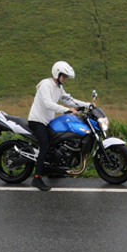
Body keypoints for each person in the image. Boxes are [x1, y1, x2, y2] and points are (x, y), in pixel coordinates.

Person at [28, 61, 90, 191]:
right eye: (64, 76)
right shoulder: (46, 85)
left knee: (56, 143)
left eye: (66, 77)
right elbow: (48, 104)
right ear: (57, 73)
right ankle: (37, 178)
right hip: (37, 121)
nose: (65, 79)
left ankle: (53, 171)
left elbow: (69, 100)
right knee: (45, 146)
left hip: (48, 121)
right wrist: (66, 110)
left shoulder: (58, 87)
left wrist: (87, 105)